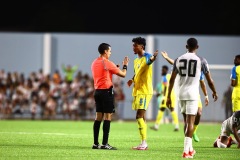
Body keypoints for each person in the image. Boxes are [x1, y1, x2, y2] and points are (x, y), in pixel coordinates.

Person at [166, 38, 218, 158]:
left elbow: (172, 79)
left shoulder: (178, 59)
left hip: (181, 94)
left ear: (186, 46)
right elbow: (209, 80)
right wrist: (214, 91)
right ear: (197, 47)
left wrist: (168, 96)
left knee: (186, 122)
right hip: (192, 94)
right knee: (191, 122)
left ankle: (190, 149)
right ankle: (185, 151)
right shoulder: (201, 60)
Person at [161, 51, 209, 142]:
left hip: (195, 94)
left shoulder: (198, 67)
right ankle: (187, 143)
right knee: (187, 120)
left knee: (199, 113)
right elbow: (175, 63)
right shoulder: (183, 64)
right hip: (184, 93)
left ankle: (194, 131)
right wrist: (167, 58)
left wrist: (206, 96)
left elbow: (203, 83)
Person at [91, 43, 129, 150]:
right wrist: (125, 65)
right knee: (108, 117)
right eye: (110, 51)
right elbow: (123, 74)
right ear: (105, 51)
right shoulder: (107, 62)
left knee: (98, 117)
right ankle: (104, 144)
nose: (110, 53)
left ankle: (95, 144)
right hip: (106, 92)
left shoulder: (94, 62)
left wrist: (112, 70)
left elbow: (103, 74)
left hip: (97, 91)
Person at [127, 36, 158, 150]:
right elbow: (138, 72)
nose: (133, 47)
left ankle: (144, 143)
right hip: (138, 90)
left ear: (142, 46)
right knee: (142, 116)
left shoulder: (148, 56)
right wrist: (132, 79)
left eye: (135, 45)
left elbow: (149, 62)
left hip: (145, 90)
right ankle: (143, 143)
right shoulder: (136, 59)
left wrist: (154, 58)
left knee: (139, 116)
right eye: (133, 45)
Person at [150, 65, 179, 131]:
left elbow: (166, 87)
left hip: (167, 96)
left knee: (163, 109)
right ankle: (176, 126)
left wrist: (162, 95)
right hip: (172, 95)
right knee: (168, 109)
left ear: (166, 70)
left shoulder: (165, 77)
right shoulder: (168, 76)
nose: (161, 71)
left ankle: (156, 126)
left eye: (162, 70)